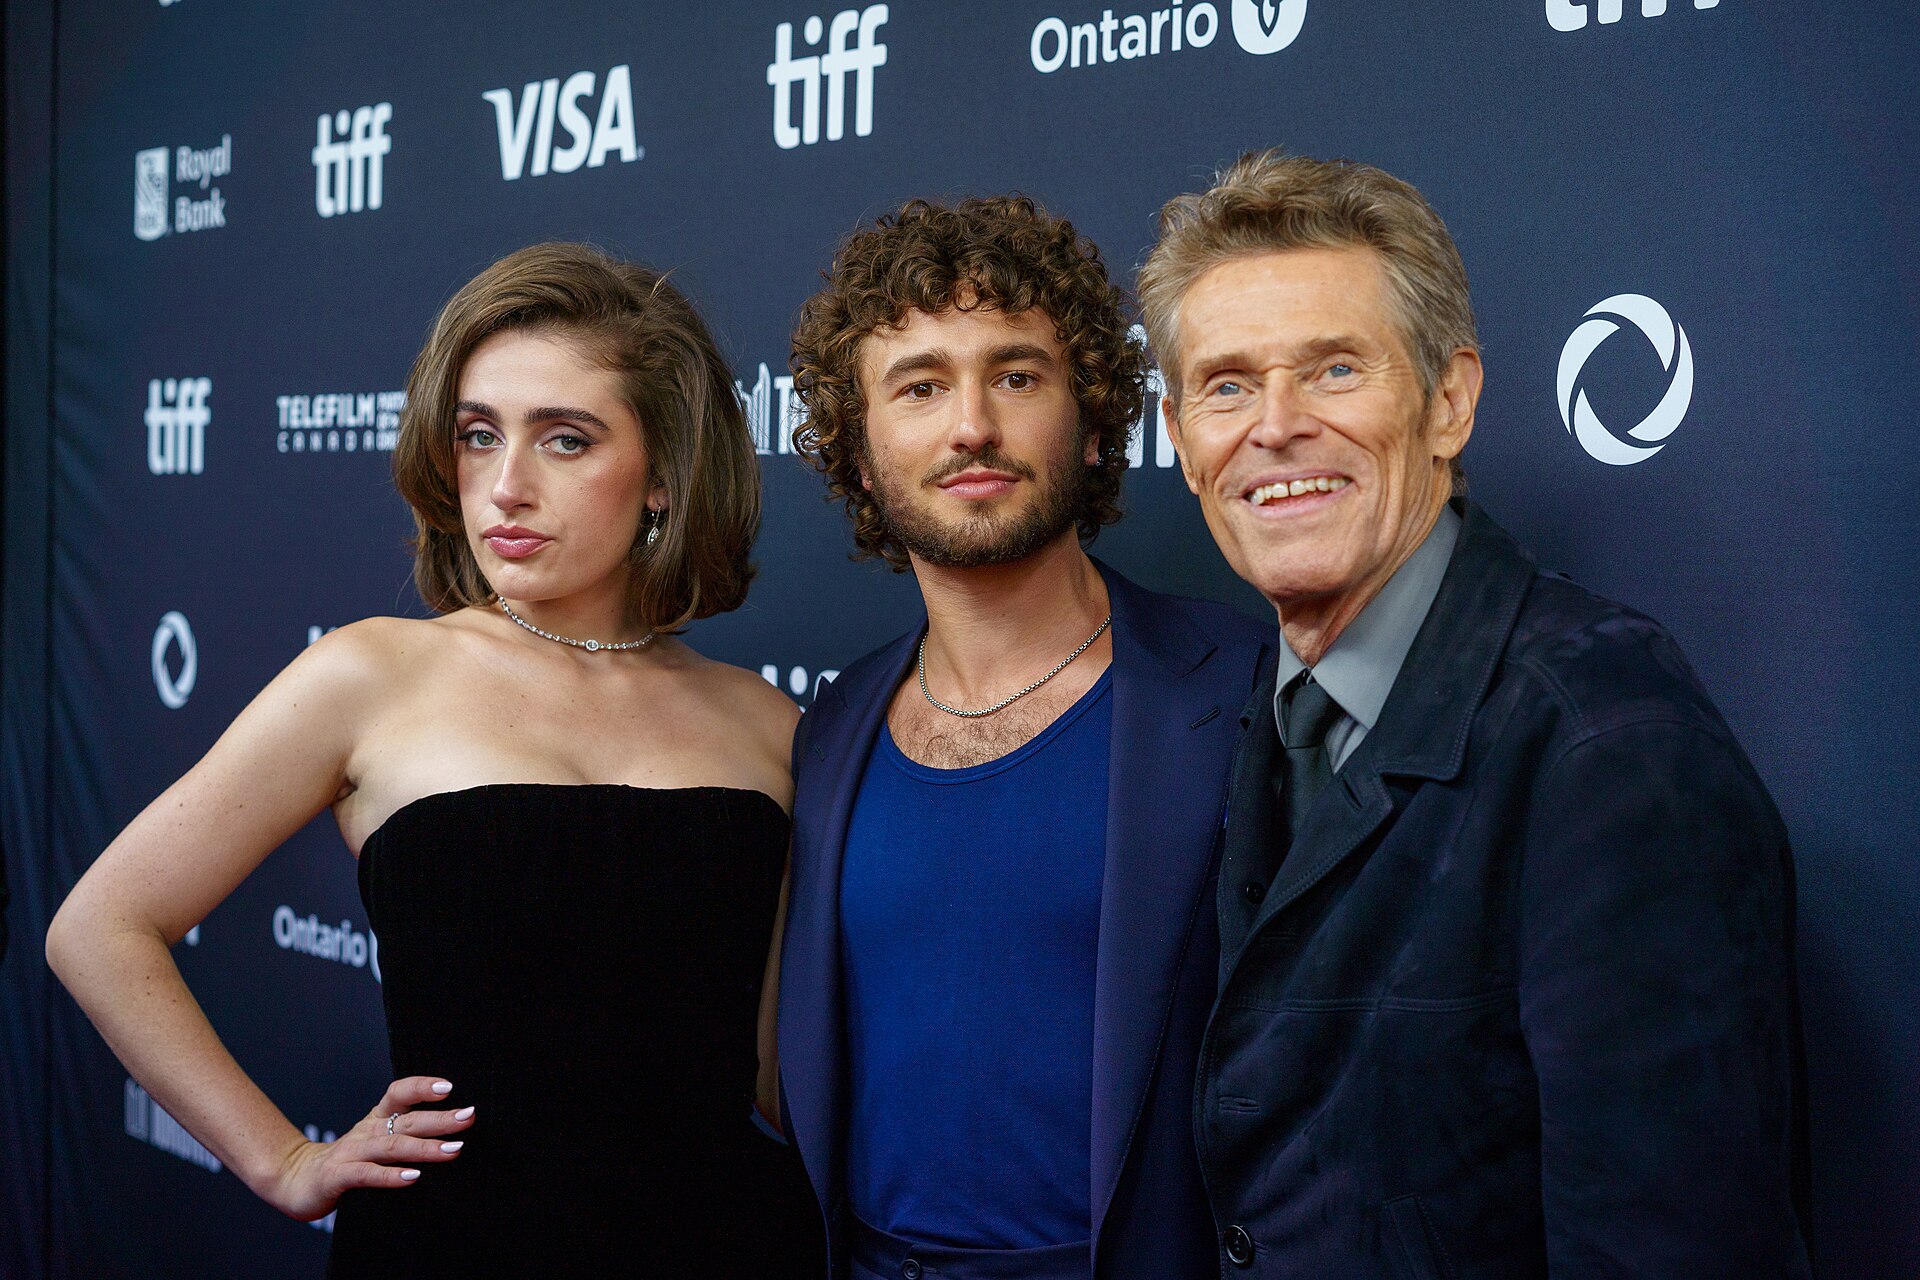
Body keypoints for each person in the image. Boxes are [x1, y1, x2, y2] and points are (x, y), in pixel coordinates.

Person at [46, 243, 822, 1276]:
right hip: (449, 1249)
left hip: (727, 1248)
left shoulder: (772, 726)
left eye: (566, 439)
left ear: (665, 480)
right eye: (478, 434)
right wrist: (283, 1160)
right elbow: (100, 927)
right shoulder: (371, 673)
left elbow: (778, 1073)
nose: (505, 485)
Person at [1140, 150, 1812, 1275]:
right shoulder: (1261, 707)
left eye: (1335, 369)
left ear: (1448, 399)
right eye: (1226, 384)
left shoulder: (1605, 741)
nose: (1276, 426)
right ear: (1180, 436)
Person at [776, 196, 1269, 1280]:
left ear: (1095, 422)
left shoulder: (1247, 689)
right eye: (919, 386)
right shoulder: (831, 728)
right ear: (859, 454)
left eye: (1016, 375)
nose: (970, 427)